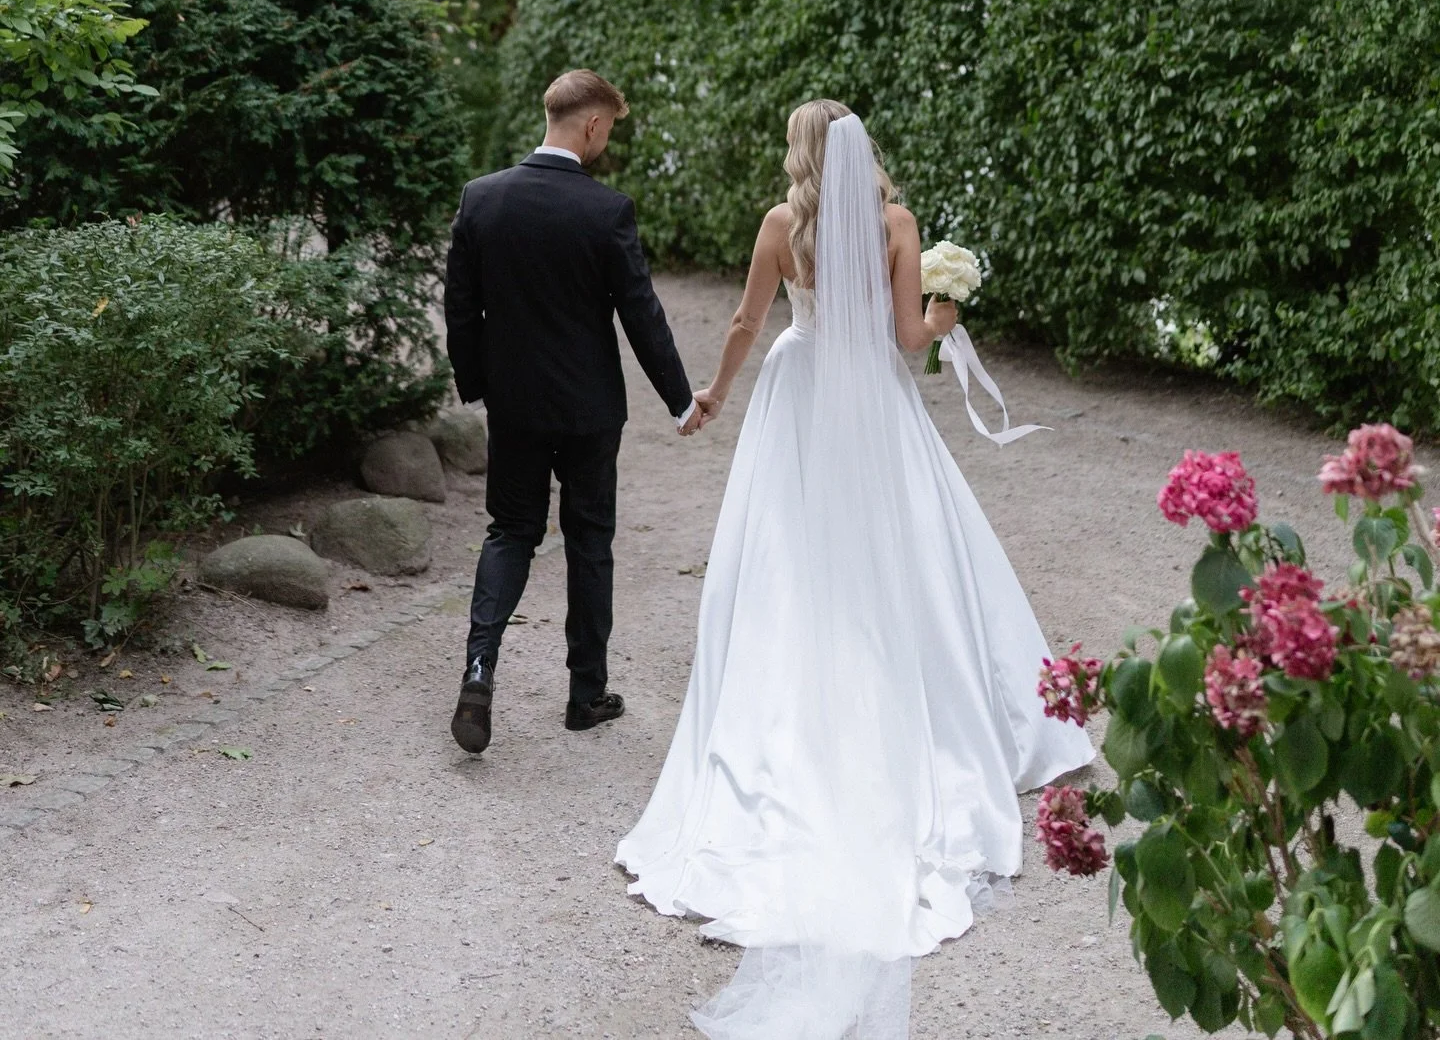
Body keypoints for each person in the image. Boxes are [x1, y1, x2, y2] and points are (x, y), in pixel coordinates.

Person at [617, 100, 1095, 1039]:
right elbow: (911, 341)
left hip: (799, 392)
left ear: (798, 151)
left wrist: (712, 393)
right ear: (863, 150)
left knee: (786, 564)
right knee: (915, 554)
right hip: (872, 398)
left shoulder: (779, 225)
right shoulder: (895, 224)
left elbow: (750, 324)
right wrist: (949, 306)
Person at [443, 68, 699, 755]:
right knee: (589, 539)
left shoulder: (483, 198)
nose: (606, 142)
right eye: (608, 129)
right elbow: (640, 313)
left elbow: (461, 309)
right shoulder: (606, 209)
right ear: (590, 125)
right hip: (590, 410)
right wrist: (680, 398)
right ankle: (585, 695)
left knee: (509, 531)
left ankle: (478, 669)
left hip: (516, 404)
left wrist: (478, 384)